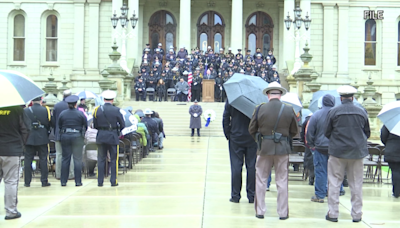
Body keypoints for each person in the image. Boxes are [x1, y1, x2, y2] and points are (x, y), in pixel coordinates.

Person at [248, 82, 298, 220]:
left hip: (264, 148)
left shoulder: (259, 109)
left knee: (261, 180)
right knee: (282, 181)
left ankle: (260, 211)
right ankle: (282, 213)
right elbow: (294, 130)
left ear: (268, 95)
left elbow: (251, 129)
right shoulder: (288, 109)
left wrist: (261, 140)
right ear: (280, 95)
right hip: (282, 148)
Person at [324, 85, 370, 223]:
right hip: (356, 152)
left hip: (337, 152)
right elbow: (367, 132)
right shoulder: (361, 112)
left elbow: (327, 132)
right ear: (353, 97)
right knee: (356, 184)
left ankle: (333, 213)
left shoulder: (333, 111)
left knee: (334, 182)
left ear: (341, 98)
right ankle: (356, 214)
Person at [307, 94, 344, 203]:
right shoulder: (338, 114)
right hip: (335, 147)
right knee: (336, 171)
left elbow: (310, 131)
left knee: (320, 171)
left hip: (320, 147)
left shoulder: (316, 115)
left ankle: (320, 194)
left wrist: (311, 144)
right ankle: (337, 191)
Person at [223, 99, 257, 204]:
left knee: (236, 167)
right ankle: (252, 196)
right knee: (251, 167)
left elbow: (225, 117)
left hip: (236, 136)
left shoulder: (232, 100)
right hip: (252, 137)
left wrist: (228, 134)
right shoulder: (255, 101)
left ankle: (235, 195)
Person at [0, 105, 30, 220]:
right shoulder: (17, 110)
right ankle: (11, 211)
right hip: (12, 149)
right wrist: (21, 145)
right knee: (11, 181)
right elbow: (26, 129)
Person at [93, 90, 125, 187]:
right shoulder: (117, 110)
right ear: (113, 100)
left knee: (101, 159)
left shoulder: (97, 110)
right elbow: (122, 124)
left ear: (103, 99)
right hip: (112, 135)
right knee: (113, 159)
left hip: (101, 135)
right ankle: (113, 181)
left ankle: (100, 181)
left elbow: (95, 125)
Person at [57, 95, 88, 187]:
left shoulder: (63, 113)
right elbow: (85, 125)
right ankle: (78, 181)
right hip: (77, 136)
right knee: (77, 159)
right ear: (76, 104)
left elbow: (59, 125)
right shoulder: (80, 114)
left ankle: (63, 181)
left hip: (65, 135)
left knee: (65, 158)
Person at [23, 96, 52, 187]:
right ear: (40, 101)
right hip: (42, 137)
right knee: (43, 159)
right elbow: (49, 123)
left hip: (29, 137)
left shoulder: (26, 110)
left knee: (28, 160)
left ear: (32, 100)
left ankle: (27, 181)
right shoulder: (45, 110)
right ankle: (44, 181)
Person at [52, 90, 74, 180]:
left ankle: (58, 174)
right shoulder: (73, 106)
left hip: (58, 133)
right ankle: (71, 174)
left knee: (59, 154)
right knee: (70, 154)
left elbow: (53, 121)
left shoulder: (57, 106)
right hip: (71, 134)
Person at [381, 125, 400, 198]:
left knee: (395, 172)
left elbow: (383, 136)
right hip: (393, 151)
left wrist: (389, 144)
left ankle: (396, 192)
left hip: (393, 150)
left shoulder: (391, 124)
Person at [301, 113, 314, 185]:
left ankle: (311, 178)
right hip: (318, 143)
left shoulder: (307, 119)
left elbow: (302, 133)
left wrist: (304, 142)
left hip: (308, 144)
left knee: (310, 161)